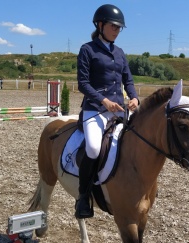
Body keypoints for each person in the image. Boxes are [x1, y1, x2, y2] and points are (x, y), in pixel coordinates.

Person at [76, 4, 139, 218]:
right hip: (94, 110)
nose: (117, 31)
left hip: (119, 111)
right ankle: (83, 197)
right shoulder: (87, 49)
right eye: (113, 26)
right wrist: (104, 101)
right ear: (100, 25)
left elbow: (128, 80)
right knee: (93, 148)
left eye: (119, 28)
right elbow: (83, 84)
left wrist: (135, 97)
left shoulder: (120, 53)